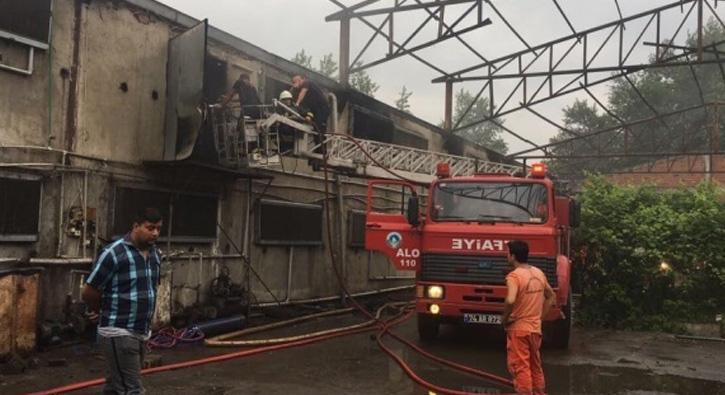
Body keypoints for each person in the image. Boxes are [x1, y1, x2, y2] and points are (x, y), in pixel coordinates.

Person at [82, 208, 163, 395]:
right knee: (132, 389)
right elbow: (89, 291)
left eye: (158, 229)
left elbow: (151, 288)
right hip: (118, 330)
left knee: (115, 387)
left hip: (141, 331)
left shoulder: (155, 255)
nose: (155, 233)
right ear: (136, 226)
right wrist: (99, 310)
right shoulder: (114, 253)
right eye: (150, 228)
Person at [502, 240, 555, 395]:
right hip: (535, 329)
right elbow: (551, 296)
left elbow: (510, 300)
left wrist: (505, 318)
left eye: (507, 253)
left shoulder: (514, 276)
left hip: (519, 330)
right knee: (535, 366)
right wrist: (540, 319)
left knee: (521, 367)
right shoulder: (538, 273)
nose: (507, 256)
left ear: (513, 256)